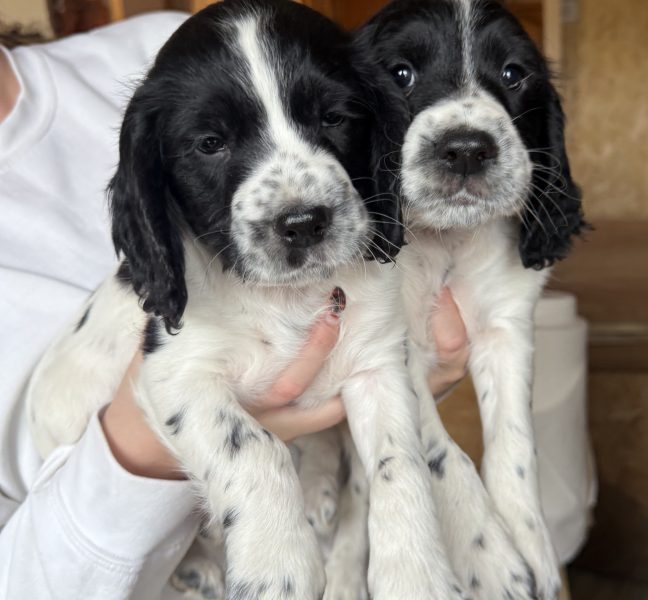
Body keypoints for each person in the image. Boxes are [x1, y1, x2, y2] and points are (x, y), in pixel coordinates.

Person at [0, 12, 470, 599]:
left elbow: (380, 368)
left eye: (332, 118)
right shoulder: (162, 120)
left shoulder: (167, 43)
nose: (298, 200)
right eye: (214, 143)